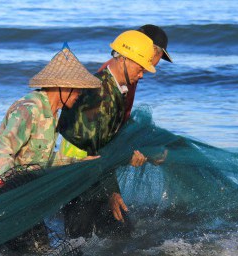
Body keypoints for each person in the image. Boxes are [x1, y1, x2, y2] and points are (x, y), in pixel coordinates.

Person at [0, 45, 101, 252]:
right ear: (62, 86)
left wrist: (77, 162)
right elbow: (0, 150)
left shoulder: (52, 115)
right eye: (77, 88)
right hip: (2, 198)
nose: (80, 93)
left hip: (25, 198)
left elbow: (41, 160)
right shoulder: (29, 109)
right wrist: (11, 188)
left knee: (40, 248)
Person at [56, 29, 167, 238]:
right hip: (79, 177)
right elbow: (94, 149)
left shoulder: (115, 89)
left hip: (94, 174)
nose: (142, 74)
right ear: (123, 59)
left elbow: (107, 141)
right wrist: (113, 191)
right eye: (140, 67)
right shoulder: (99, 94)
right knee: (80, 241)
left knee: (118, 235)